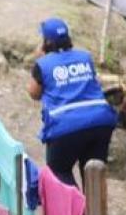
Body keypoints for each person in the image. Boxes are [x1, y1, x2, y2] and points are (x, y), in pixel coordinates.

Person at [27, 17, 117, 187]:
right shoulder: (85, 57)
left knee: (59, 172)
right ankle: (95, 212)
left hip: (65, 126)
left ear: (46, 42)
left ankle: (77, 212)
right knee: (93, 172)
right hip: (100, 121)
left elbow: (33, 93)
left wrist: (39, 61)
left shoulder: (43, 64)